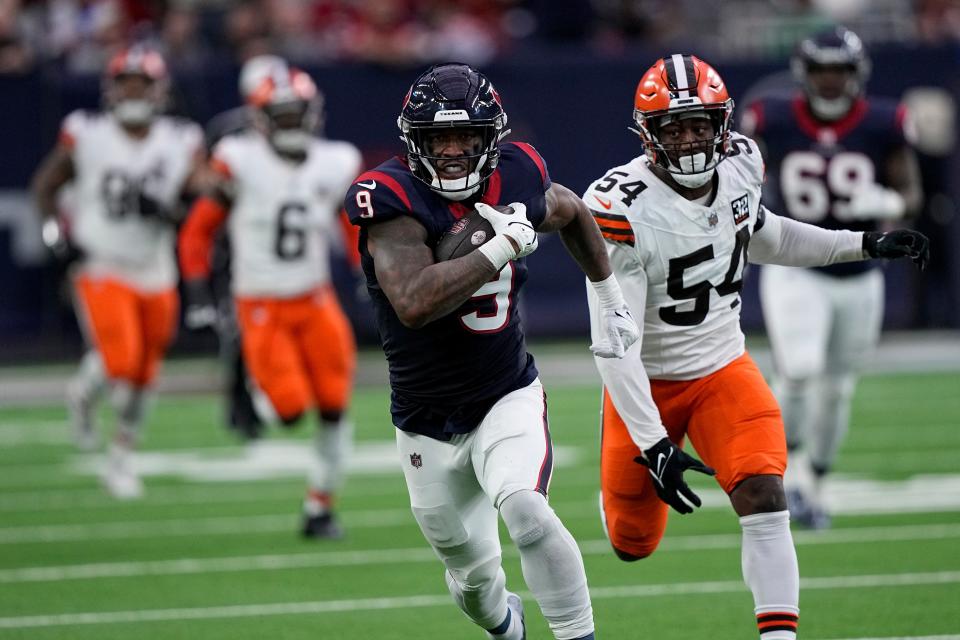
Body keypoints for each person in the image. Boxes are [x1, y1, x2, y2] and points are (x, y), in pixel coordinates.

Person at [583, 54, 928, 640]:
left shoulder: (742, 161)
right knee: (631, 544)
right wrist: (654, 444)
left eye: (700, 125)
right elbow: (614, 345)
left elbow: (763, 233)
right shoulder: (619, 207)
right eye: (674, 127)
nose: (690, 139)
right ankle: (623, 496)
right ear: (649, 134)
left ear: (723, 124)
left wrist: (861, 245)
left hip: (723, 368)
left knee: (766, 495)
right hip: (644, 382)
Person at [344, 63, 639, 640]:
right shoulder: (389, 198)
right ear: (414, 143)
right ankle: (509, 628)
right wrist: (500, 245)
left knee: (526, 508)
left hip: (505, 392)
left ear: (491, 138)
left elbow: (572, 210)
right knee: (474, 582)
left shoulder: (518, 174)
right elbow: (413, 301)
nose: (453, 151)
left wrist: (609, 296)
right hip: (425, 419)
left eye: (466, 137)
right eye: (438, 139)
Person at [738, 26, 924, 529]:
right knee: (798, 370)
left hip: (860, 269)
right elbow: (740, 176)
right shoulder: (772, 119)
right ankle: (786, 475)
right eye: (821, 69)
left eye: (838, 70)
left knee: (838, 388)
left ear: (855, 74)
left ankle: (814, 484)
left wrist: (890, 203)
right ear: (804, 72)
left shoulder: (885, 122)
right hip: (797, 263)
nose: (829, 80)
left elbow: (910, 191)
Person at [178, 65, 362, 539]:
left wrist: (372, 274)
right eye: (279, 117)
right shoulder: (238, 160)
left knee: (336, 404)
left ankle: (320, 506)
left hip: (315, 297)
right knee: (289, 408)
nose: (289, 125)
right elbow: (198, 230)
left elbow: (352, 229)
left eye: (295, 114)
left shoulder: (336, 160)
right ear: (260, 121)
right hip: (260, 302)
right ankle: (245, 386)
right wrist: (198, 291)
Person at [31, 46, 206, 499]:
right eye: (126, 82)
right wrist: (56, 236)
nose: (133, 91)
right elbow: (46, 186)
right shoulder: (86, 132)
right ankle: (88, 397)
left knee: (146, 375)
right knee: (121, 361)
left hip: (156, 266)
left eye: (141, 83)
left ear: (158, 89)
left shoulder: (181, 139)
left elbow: (197, 207)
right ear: (111, 88)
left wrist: (172, 210)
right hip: (100, 259)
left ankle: (121, 455)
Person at [197, 53, 299, 442]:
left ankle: (267, 399)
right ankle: (243, 406)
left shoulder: (282, 126)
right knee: (238, 328)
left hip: (277, 236)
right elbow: (208, 183)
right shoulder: (229, 133)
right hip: (238, 238)